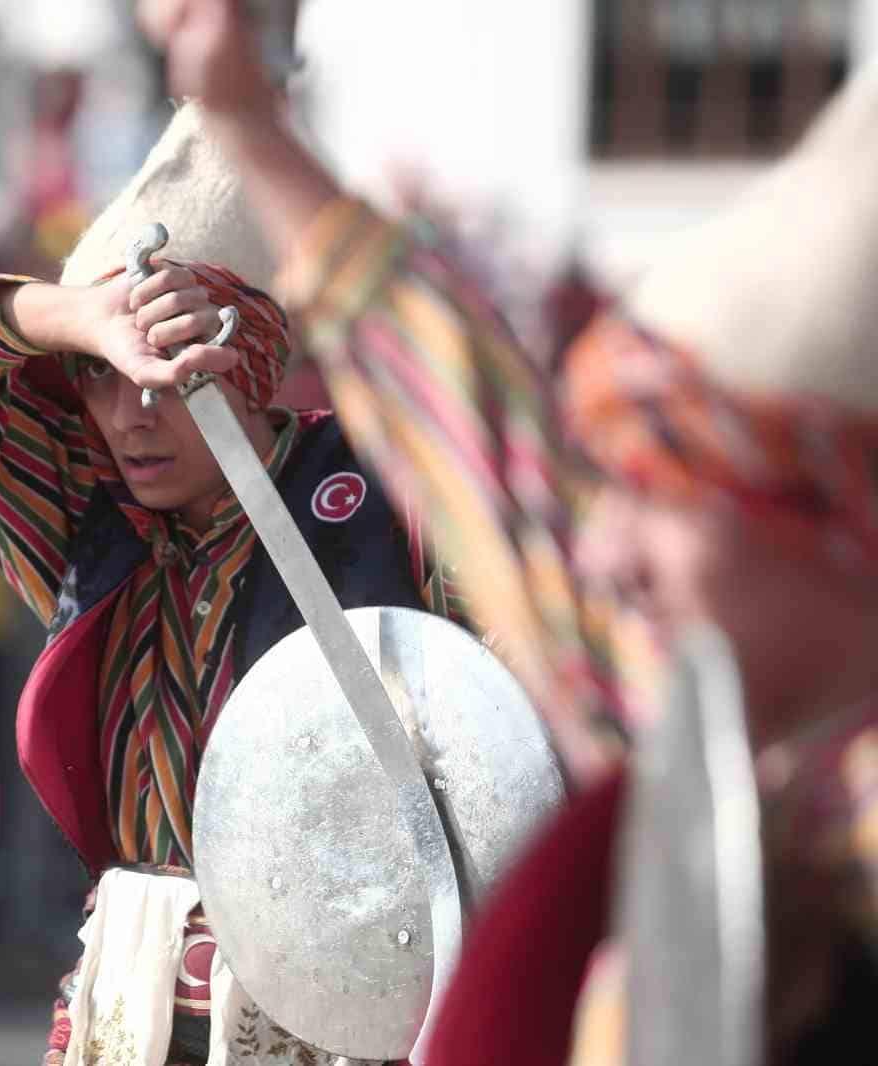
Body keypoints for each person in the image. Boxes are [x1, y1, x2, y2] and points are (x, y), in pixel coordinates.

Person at [138, 0, 878, 1061]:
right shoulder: (703, 727)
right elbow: (492, 463)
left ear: (839, 524)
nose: (609, 549)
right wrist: (246, 120)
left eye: (668, 490)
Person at [0, 96, 462, 1065]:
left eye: (169, 374)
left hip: (341, 1009)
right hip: (129, 1010)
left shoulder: (386, 497)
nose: (128, 414)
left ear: (249, 361)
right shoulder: (83, 513)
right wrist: (78, 317)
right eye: (102, 377)